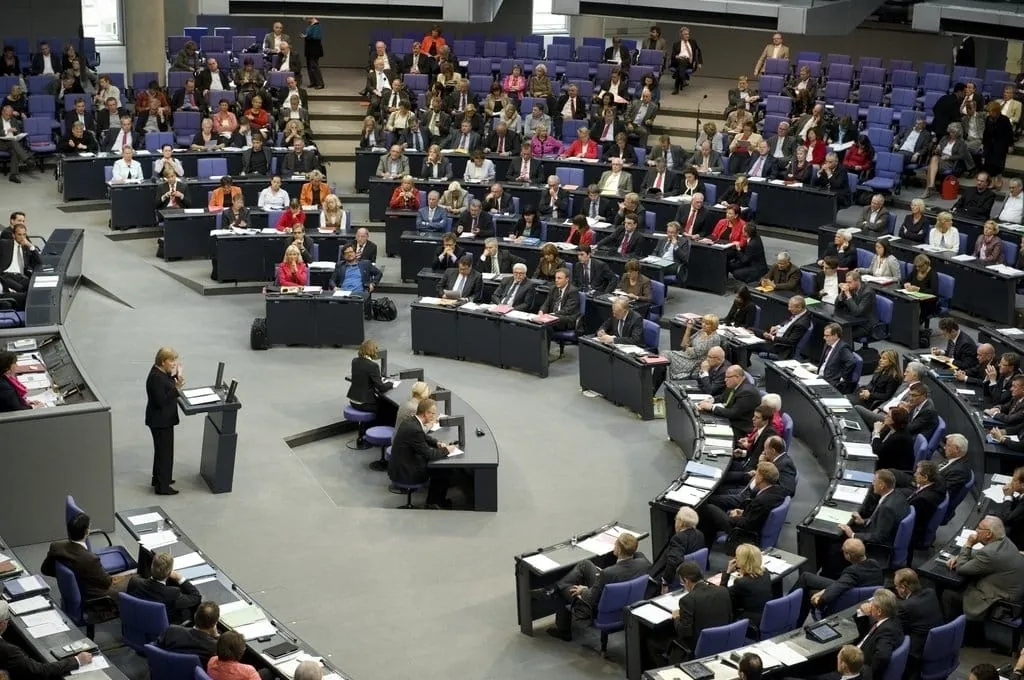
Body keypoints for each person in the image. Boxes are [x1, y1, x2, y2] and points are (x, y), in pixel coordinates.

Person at [545, 533, 651, 641]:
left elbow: (591, 599)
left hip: (597, 607)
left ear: (619, 550)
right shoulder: (644, 563)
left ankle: (563, 629)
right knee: (585, 564)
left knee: (566, 587)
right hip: (623, 600)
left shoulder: (608, 573)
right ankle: (554, 587)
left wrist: (583, 590)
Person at [942, 515, 1024, 622]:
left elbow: (961, 569)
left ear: (988, 534)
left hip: (999, 602)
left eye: (979, 528)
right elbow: (983, 555)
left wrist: (968, 544)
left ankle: (956, 627)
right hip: (1010, 592)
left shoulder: (990, 553)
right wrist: (959, 556)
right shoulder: (1005, 542)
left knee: (949, 594)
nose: (975, 531)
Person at [698, 461, 787, 554]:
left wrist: (734, 516)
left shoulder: (761, 500)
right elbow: (755, 515)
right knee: (711, 519)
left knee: (708, 508)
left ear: (761, 478)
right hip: (749, 521)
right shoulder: (777, 491)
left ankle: (703, 550)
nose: (754, 476)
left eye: (757, 474)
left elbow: (747, 524)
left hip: (743, 533)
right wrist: (742, 512)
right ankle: (705, 553)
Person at [791, 538, 882, 624]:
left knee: (806, 579)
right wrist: (824, 590)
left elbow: (837, 589)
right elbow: (841, 583)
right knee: (807, 578)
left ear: (848, 556)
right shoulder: (875, 564)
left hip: (846, 601)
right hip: (858, 596)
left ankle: (790, 609)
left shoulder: (852, 572)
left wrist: (820, 599)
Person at [388, 398, 457, 509]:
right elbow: (430, 454)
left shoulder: (411, 421)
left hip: (400, 464)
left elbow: (424, 437)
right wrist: (447, 450)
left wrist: (437, 443)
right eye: (433, 414)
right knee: (442, 469)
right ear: (426, 413)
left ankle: (434, 500)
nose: (434, 417)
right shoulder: (415, 429)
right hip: (406, 471)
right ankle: (435, 503)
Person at [0, 600, 93, 676]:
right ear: (2, 624)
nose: (8, 623)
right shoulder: (9, 651)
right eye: (8, 619)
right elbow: (40, 671)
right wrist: (77, 660)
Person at [146, 347, 183, 495]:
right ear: (163, 362)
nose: (174, 363)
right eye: (171, 360)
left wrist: (176, 378)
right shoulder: (156, 378)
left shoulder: (160, 373)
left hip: (162, 420)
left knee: (161, 452)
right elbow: (162, 400)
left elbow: (167, 383)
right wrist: (177, 388)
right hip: (160, 421)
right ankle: (162, 486)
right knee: (165, 453)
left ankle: (160, 478)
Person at [127, 552, 201, 624]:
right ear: (169, 573)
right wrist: (180, 578)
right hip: (160, 629)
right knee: (186, 612)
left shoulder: (134, 581)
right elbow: (196, 597)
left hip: (137, 621)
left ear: (151, 567)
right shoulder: (173, 594)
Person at [648, 507, 704, 590]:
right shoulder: (699, 534)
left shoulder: (678, 538)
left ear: (681, 523)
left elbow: (674, 561)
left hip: (670, 579)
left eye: (676, 519)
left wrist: (665, 582)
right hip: (690, 575)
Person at [696, 365, 761, 436]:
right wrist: (711, 400)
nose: (725, 380)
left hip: (740, 428)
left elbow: (733, 413)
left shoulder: (747, 392)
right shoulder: (734, 384)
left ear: (737, 377)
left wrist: (712, 407)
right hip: (730, 420)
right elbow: (722, 397)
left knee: (706, 433)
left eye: (728, 377)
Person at [721, 543, 773, 624]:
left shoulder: (741, 583)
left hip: (749, 621)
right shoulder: (766, 573)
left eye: (737, 557)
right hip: (765, 615)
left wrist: (727, 572)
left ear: (742, 561)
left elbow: (723, 594)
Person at [156, 601, 220, 666]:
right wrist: (216, 636)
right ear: (215, 623)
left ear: (195, 616)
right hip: (192, 675)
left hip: (165, 671)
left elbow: (155, 648)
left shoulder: (171, 630)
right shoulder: (214, 648)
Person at [923, 122, 972, 199]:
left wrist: (949, 157)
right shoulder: (944, 138)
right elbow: (936, 152)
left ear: (958, 132)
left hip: (950, 163)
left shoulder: (961, 142)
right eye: (950, 132)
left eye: (953, 132)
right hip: (940, 160)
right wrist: (937, 149)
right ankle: (930, 185)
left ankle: (928, 189)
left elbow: (962, 156)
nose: (951, 134)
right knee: (934, 158)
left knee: (932, 164)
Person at [330, 244, 382, 317]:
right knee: (332, 304)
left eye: (351, 252)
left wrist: (373, 284)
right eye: (346, 253)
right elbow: (332, 280)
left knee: (352, 308)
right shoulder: (340, 265)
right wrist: (334, 287)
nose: (349, 254)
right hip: (343, 292)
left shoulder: (365, 264)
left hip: (358, 293)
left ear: (355, 253)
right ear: (344, 256)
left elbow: (378, 273)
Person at [346, 340, 393, 419]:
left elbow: (364, 376)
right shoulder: (373, 366)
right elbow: (381, 388)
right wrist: (391, 384)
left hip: (353, 401)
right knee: (390, 406)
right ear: (373, 350)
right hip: (364, 404)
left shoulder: (354, 361)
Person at [669, 314, 721, 380]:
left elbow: (696, 353)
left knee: (666, 356)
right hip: (688, 356)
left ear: (713, 326)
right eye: (703, 322)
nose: (703, 325)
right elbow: (683, 344)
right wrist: (688, 328)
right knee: (664, 356)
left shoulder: (714, 338)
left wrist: (689, 348)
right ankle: (656, 384)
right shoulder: (701, 331)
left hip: (696, 363)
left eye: (707, 324)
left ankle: (655, 385)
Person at [761, 296, 811, 360]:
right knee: (753, 331)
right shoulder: (801, 313)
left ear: (799, 307)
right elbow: (789, 321)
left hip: (780, 347)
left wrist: (772, 337)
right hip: (777, 337)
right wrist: (778, 327)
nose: (789, 309)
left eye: (791, 307)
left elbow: (790, 341)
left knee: (751, 344)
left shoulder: (801, 323)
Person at [835, 271, 877, 340]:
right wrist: (841, 293)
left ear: (857, 281)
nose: (847, 285)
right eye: (846, 282)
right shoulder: (852, 288)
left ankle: (847, 350)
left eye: (849, 282)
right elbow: (837, 305)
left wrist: (848, 294)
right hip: (853, 321)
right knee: (835, 330)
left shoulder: (868, 292)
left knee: (843, 335)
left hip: (866, 324)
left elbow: (857, 312)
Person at [538, 268, 580, 335]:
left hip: (566, 319)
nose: (556, 280)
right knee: (537, 323)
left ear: (567, 279)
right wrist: (541, 311)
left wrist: (551, 315)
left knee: (545, 326)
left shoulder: (573, 291)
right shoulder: (553, 288)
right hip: (553, 317)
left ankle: (544, 344)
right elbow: (546, 304)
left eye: (559, 278)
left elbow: (567, 310)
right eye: (556, 278)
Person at [302, 17, 325, 89]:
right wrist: (306, 36)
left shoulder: (317, 26)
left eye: (307, 19)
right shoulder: (311, 26)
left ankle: (320, 83)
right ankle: (313, 82)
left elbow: (316, 37)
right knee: (309, 66)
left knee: (314, 66)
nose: (306, 20)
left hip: (314, 49)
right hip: (309, 48)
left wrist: (306, 36)